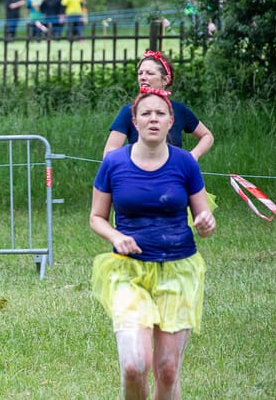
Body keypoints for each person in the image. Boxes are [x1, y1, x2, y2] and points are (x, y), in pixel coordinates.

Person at [90, 87, 216, 399]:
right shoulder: (114, 163)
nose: (153, 119)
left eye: (160, 113)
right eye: (146, 113)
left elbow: (204, 223)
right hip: (129, 272)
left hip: (177, 270)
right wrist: (117, 236)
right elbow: (96, 217)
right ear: (134, 120)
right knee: (134, 365)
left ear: (172, 121)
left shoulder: (186, 163)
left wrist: (205, 223)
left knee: (168, 370)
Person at [103, 50, 214, 161]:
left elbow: (207, 136)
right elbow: (110, 151)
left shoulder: (179, 110)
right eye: (140, 73)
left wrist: (193, 155)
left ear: (165, 80)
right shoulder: (129, 111)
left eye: (149, 73)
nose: (142, 77)